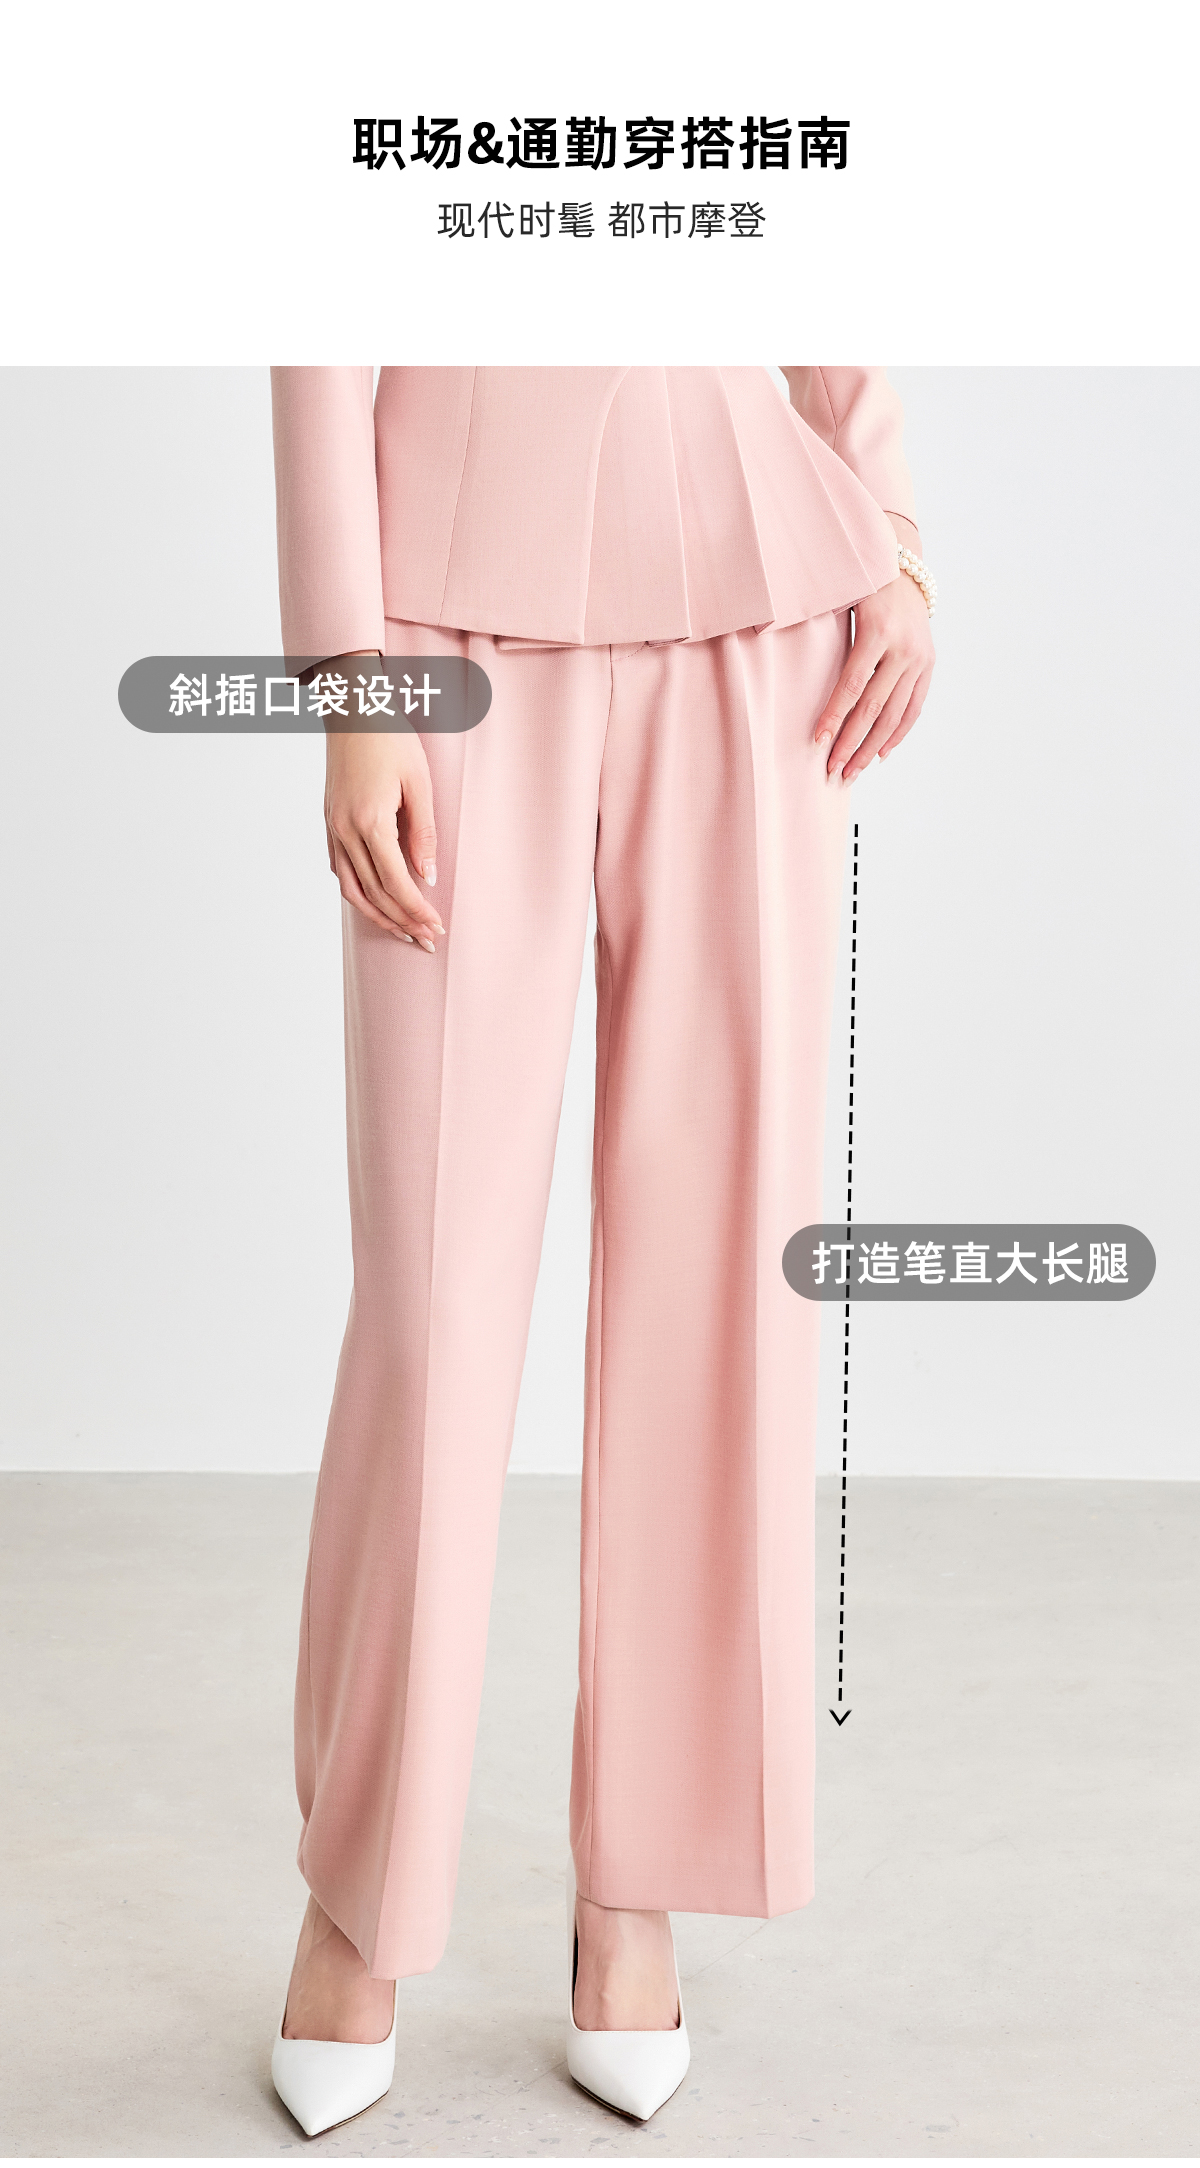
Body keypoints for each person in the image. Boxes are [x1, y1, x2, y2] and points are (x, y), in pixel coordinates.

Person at [265, 366, 936, 2135]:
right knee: (434, 1298)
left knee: (720, 1286)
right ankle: (361, 1898)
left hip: (758, 605)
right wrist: (349, 677)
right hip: (446, 611)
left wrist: (893, 537)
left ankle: (640, 1881)